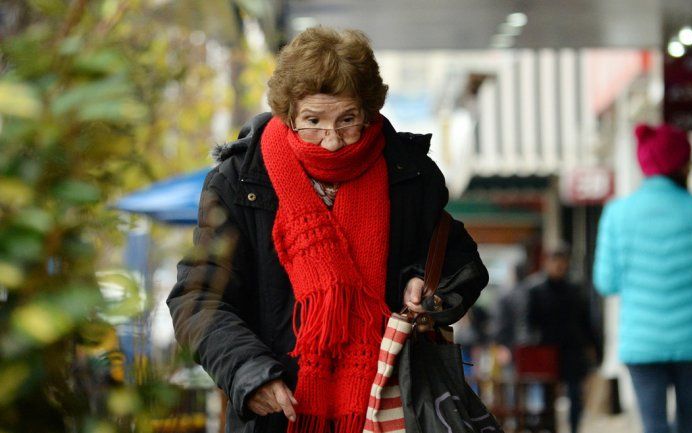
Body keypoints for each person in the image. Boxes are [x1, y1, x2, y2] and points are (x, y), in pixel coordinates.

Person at [166, 27, 488, 433]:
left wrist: (427, 284)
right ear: (289, 114)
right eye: (313, 121)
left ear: (368, 112)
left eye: (347, 120)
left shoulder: (410, 174)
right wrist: (248, 373)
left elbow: (462, 263)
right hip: (279, 415)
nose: (332, 141)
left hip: (388, 410)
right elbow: (196, 297)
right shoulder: (240, 182)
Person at [593, 123, 692, 433]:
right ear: (682, 165)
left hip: (642, 342)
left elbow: (606, 282)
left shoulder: (617, 213)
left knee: (653, 426)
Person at [524, 244, 600, 433]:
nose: (558, 266)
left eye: (562, 261)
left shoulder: (575, 288)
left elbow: (586, 321)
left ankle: (574, 428)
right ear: (546, 263)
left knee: (575, 396)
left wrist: (596, 348)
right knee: (547, 397)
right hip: (547, 350)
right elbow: (528, 323)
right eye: (554, 261)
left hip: (572, 349)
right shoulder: (535, 289)